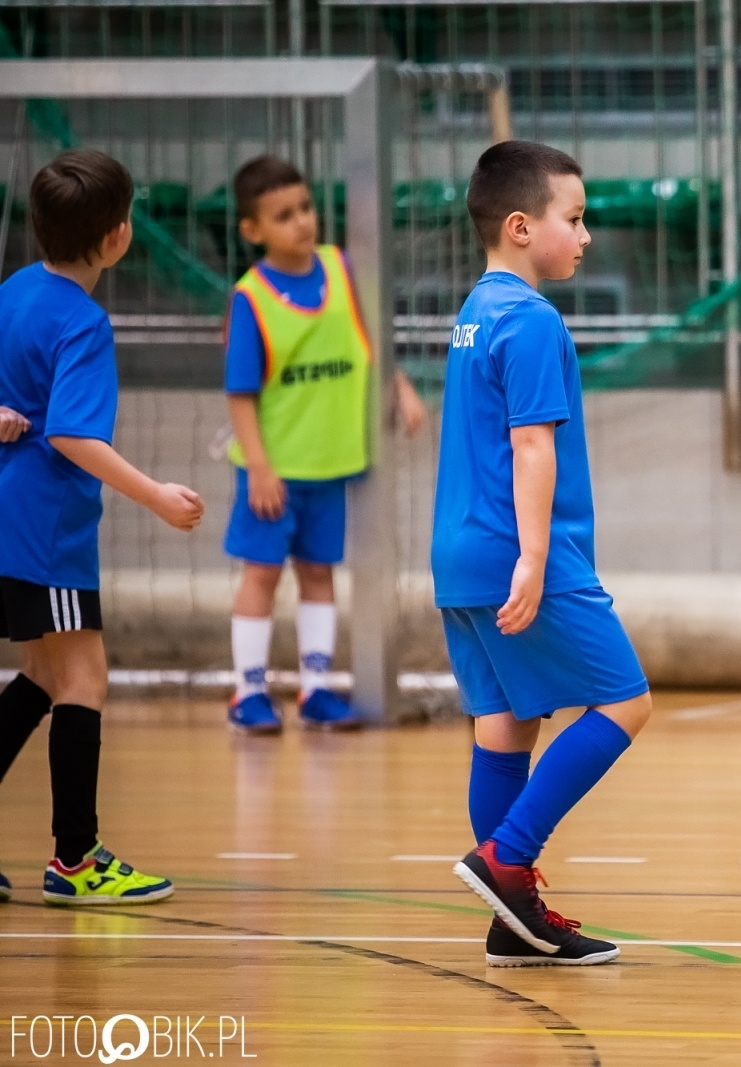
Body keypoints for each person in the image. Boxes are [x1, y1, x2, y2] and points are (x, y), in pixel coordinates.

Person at [436, 141, 651, 966]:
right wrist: (533, 556)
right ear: (523, 227)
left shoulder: (474, 313)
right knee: (626, 702)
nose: (587, 234)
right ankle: (506, 857)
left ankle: (510, 920)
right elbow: (531, 446)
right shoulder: (530, 320)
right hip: (518, 551)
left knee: (506, 723)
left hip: (457, 556)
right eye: (576, 216)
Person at [0, 149, 205, 904]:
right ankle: (76, 859)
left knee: (46, 674)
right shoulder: (82, 323)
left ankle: (73, 855)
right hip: (45, 527)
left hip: (6, 517)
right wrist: (155, 494)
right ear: (120, 236)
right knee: (83, 678)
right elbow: (70, 436)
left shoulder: (14, 290)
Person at [221, 155, 428, 734]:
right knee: (261, 574)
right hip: (274, 472)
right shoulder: (250, 298)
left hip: (332, 467)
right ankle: (248, 691)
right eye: (284, 215)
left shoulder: (342, 270)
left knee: (318, 574)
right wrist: (259, 467)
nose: (302, 222)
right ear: (252, 230)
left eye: (306, 208)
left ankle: (315, 688)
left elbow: (373, 345)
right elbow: (240, 393)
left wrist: (401, 388)